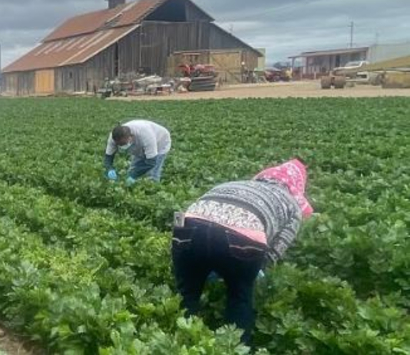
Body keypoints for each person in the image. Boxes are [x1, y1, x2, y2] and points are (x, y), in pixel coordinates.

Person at [171, 159, 314, 347]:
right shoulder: (292, 204)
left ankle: (178, 342)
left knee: (187, 292)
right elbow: (279, 245)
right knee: (239, 296)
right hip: (241, 238)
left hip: (188, 227)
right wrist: (255, 269)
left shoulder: (234, 184)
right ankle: (233, 347)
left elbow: (197, 211)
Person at [103, 120, 171, 184]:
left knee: (152, 174)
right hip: (140, 145)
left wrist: (134, 175)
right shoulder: (113, 137)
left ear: (131, 136)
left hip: (161, 142)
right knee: (133, 169)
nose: (121, 146)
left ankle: (153, 190)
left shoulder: (146, 135)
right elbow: (108, 156)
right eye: (119, 144)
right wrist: (109, 168)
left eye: (123, 143)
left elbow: (152, 162)